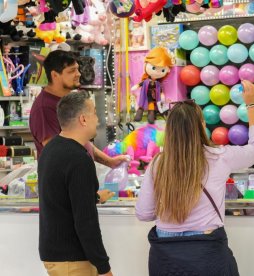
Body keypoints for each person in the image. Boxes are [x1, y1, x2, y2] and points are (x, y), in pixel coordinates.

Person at [136, 80, 254, 275]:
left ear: (170, 130)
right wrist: (251, 105)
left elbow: (144, 213)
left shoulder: (158, 163)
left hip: (165, 253)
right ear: (201, 125)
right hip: (207, 251)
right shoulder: (219, 157)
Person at [29, 50, 127, 203]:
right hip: (64, 192)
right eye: (72, 71)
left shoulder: (67, 101)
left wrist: (109, 161)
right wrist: (89, 195)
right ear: (55, 75)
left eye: (77, 69)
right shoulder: (44, 108)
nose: (79, 74)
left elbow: (78, 140)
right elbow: (57, 153)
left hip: (78, 185)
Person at [38, 91, 113, 276]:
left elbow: (62, 198)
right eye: (94, 113)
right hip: (73, 260)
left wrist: (93, 197)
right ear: (83, 119)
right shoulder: (78, 159)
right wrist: (104, 268)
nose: (97, 118)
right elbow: (86, 223)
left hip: (56, 255)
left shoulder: (50, 150)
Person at [133, 47, 173, 124]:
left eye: (162, 70)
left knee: (151, 106)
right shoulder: (145, 81)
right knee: (140, 105)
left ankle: (150, 116)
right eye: (154, 68)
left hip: (152, 98)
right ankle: (139, 113)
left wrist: (162, 95)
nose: (157, 72)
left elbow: (160, 91)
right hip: (144, 96)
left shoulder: (158, 84)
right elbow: (140, 84)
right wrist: (136, 86)